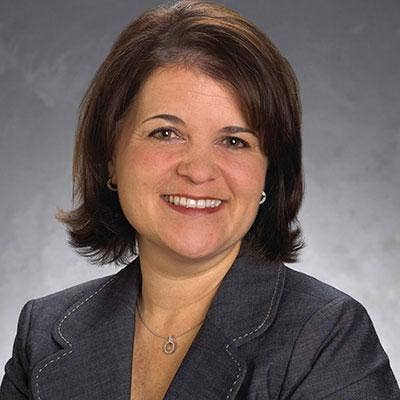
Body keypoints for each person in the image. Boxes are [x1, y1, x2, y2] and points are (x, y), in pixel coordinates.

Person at [1, 1, 399, 399]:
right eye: (165, 133)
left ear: (268, 172)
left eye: (234, 141)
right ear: (111, 156)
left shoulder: (325, 337)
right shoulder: (43, 331)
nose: (198, 171)